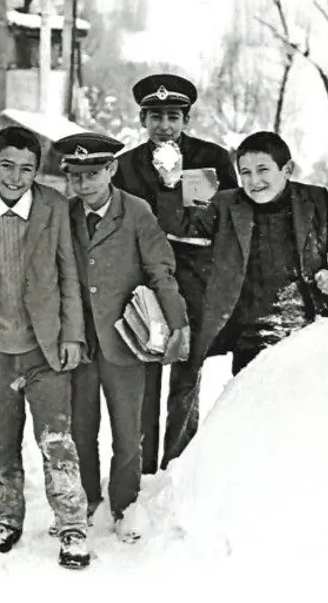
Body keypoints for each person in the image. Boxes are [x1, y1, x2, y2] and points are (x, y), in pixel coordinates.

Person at [0, 125, 91, 570]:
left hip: (44, 347)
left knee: (57, 441)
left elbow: (68, 273)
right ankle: (7, 519)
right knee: (0, 443)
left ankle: (72, 526)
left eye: (27, 169)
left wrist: (72, 335)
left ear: (38, 172)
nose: (16, 177)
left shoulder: (53, 206)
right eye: (6, 166)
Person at [55, 132, 189, 543]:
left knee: (128, 432)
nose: (84, 184)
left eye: (93, 173)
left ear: (112, 169)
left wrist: (177, 323)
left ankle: (124, 505)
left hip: (126, 340)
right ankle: (90, 500)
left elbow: (160, 270)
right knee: (81, 429)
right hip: (80, 341)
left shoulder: (135, 211)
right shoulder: (64, 213)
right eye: (76, 176)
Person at [112, 73, 239, 473]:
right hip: (143, 281)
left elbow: (219, 221)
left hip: (196, 279)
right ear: (141, 119)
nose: (163, 125)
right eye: (154, 116)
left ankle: (176, 465)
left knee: (187, 373)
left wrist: (176, 186)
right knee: (145, 371)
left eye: (172, 115)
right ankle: (144, 467)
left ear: (186, 119)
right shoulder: (125, 166)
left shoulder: (212, 159)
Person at [156, 131, 328, 376]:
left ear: (287, 169)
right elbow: (182, 225)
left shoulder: (315, 201)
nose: (254, 181)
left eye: (263, 170)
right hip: (251, 338)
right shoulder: (225, 204)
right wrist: (182, 176)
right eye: (245, 173)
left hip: (310, 328)